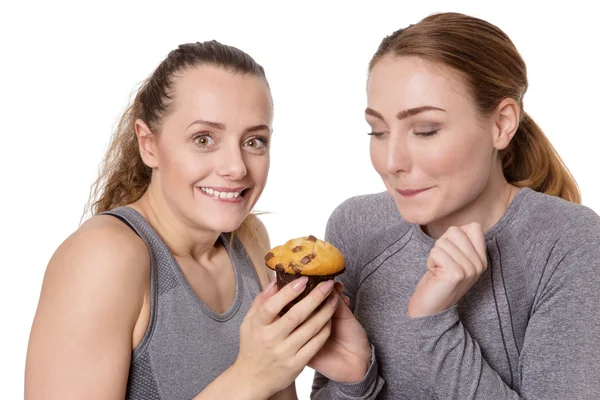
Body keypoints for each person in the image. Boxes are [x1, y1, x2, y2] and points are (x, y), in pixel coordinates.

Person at [24, 40, 366, 400]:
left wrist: (352, 378)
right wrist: (249, 377)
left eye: (254, 141)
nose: (236, 167)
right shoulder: (103, 257)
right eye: (204, 138)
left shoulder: (250, 241)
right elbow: (254, 382)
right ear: (149, 145)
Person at [312, 12, 600, 399]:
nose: (392, 160)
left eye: (426, 130)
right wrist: (354, 381)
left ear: (501, 124)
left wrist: (432, 325)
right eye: (378, 131)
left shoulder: (569, 243)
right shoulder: (355, 227)